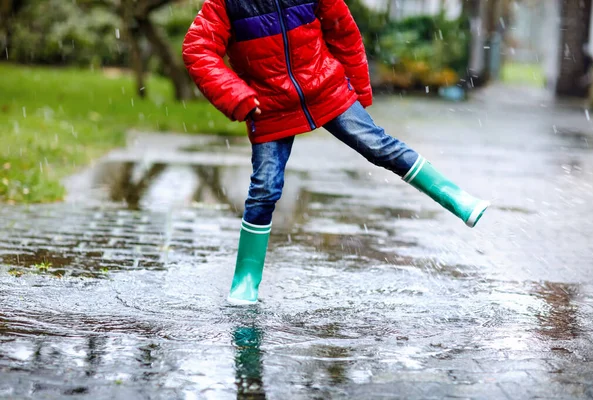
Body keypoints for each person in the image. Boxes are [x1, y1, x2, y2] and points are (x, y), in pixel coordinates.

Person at [182, 0, 489, 305]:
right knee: (264, 188)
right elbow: (198, 48)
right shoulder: (225, 3)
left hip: (327, 89)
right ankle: (246, 279)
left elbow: (343, 32)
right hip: (269, 106)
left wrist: (357, 89)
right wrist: (237, 96)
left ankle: (456, 198)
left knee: (379, 146)